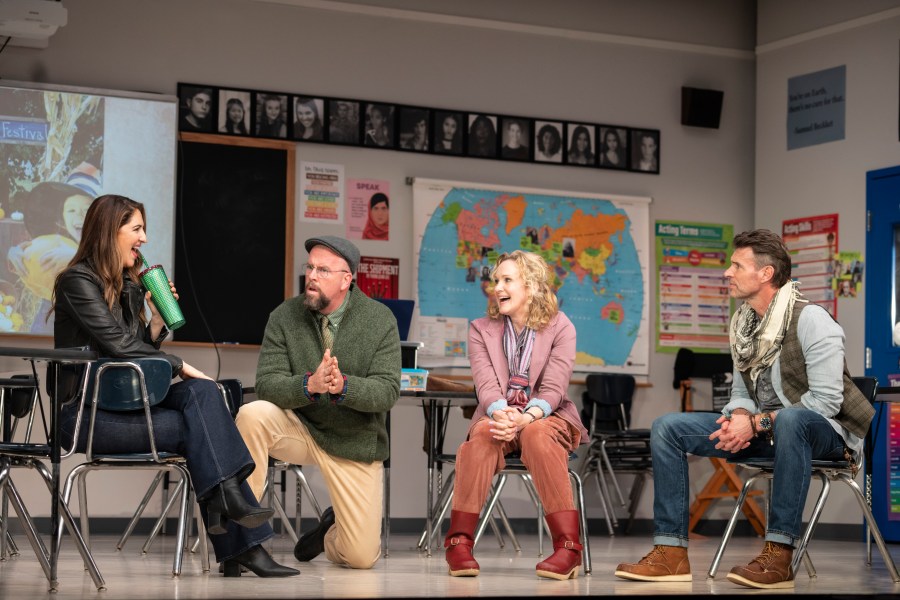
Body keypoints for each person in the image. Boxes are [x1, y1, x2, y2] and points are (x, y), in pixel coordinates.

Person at [51, 194, 298, 578]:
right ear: (108, 232)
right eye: (136, 229)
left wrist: (153, 324)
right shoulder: (77, 282)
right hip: (84, 414)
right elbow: (118, 347)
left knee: (204, 394)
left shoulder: (128, 286)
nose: (144, 239)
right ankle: (234, 522)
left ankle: (229, 509)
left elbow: (138, 360)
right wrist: (179, 364)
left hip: (126, 408)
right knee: (202, 428)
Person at [615, 229, 874, 590]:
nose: (727, 272)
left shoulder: (813, 320)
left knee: (794, 420)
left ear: (765, 274)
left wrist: (755, 423)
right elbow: (741, 392)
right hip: (769, 431)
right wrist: (740, 417)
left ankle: (779, 554)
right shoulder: (744, 324)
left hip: (825, 435)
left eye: (737, 265)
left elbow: (826, 402)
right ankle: (670, 552)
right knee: (667, 427)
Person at [235, 235, 401, 570]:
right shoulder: (284, 315)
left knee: (360, 558)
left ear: (346, 279)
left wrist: (344, 387)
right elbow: (267, 384)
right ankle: (241, 540)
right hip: (301, 428)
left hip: (353, 440)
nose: (311, 275)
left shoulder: (380, 320)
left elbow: (387, 391)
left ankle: (328, 532)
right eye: (309, 267)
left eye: (323, 270)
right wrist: (309, 385)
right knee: (251, 414)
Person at [443, 250, 589, 580]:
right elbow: (485, 383)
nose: (497, 287)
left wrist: (526, 417)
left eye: (507, 280)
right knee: (482, 435)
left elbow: (554, 387)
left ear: (532, 286)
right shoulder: (481, 329)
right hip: (498, 414)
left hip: (546, 415)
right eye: (496, 280)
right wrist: (503, 414)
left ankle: (568, 548)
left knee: (536, 434)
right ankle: (458, 543)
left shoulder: (561, 327)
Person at [8, 182, 94, 333]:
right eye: (71, 210)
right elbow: (33, 262)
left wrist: (75, 260)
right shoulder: (59, 242)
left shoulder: (107, 246)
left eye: (87, 209)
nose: (79, 216)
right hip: (49, 315)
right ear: (62, 221)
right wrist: (14, 255)